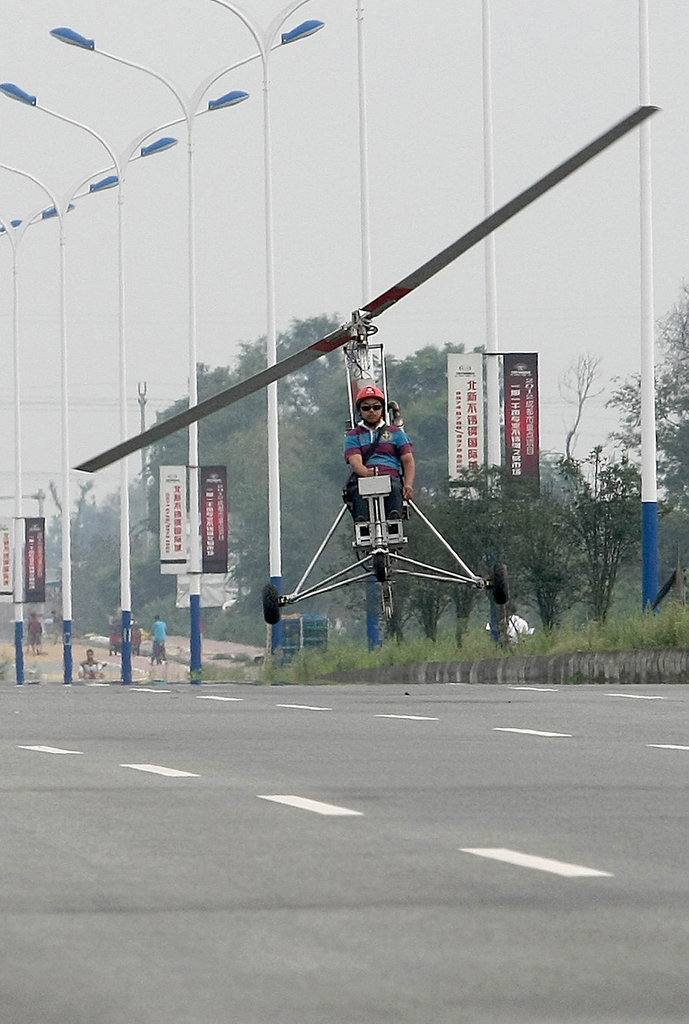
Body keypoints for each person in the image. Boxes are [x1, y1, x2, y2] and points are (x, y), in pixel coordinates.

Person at [344, 385, 415, 521]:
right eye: (366, 408)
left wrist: (409, 484)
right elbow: (355, 461)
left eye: (376, 407)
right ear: (360, 410)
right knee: (358, 492)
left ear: (382, 409)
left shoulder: (396, 433)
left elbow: (408, 460)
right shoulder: (353, 436)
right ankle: (362, 522)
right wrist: (366, 473)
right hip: (363, 479)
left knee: (394, 487)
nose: (372, 411)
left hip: (391, 478)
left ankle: (394, 519)